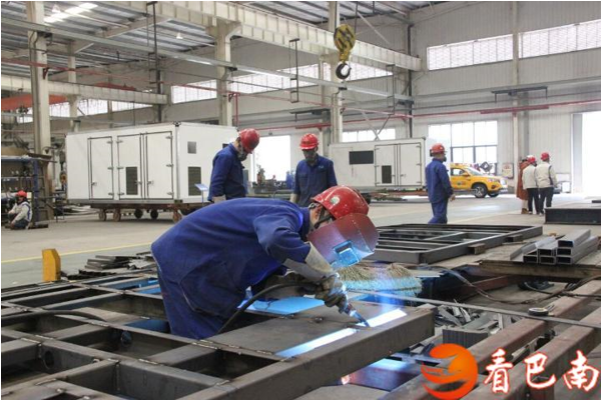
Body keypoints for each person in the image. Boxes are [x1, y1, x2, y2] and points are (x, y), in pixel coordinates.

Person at [151, 185, 372, 339]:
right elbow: (276, 240)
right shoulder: (286, 214)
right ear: (319, 210)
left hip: (207, 271)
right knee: (202, 343)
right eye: (334, 231)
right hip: (185, 263)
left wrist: (301, 285)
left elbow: (262, 290)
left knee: (217, 334)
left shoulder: (292, 241)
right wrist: (325, 274)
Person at [209, 129, 260, 203]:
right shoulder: (226, 156)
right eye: (245, 150)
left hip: (236, 201)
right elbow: (217, 183)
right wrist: (221, 205)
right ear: (239, 141)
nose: (245, 154)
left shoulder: (234, 157)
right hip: (229, 203)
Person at [290, 133, 338, 207]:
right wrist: (291, 207)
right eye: (305, 151)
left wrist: (332, 206)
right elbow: (296, 190)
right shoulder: (300, 166)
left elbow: (333, 189)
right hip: (304, 207)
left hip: (321, 207)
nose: (307, 154)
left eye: (310, 151)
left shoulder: (327, 164)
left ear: (316, 148)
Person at [426, 143, 455, 224]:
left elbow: (427, 182)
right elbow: (445, 181)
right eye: (443, 153)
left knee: (442, 219)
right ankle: (425, 229)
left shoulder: (428, 166)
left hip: (432, 195)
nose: (444, 155)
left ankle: (442, 230)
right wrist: (450, 193)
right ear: (440, 154)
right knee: (439, 217)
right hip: (440, 195)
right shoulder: (440, 166)